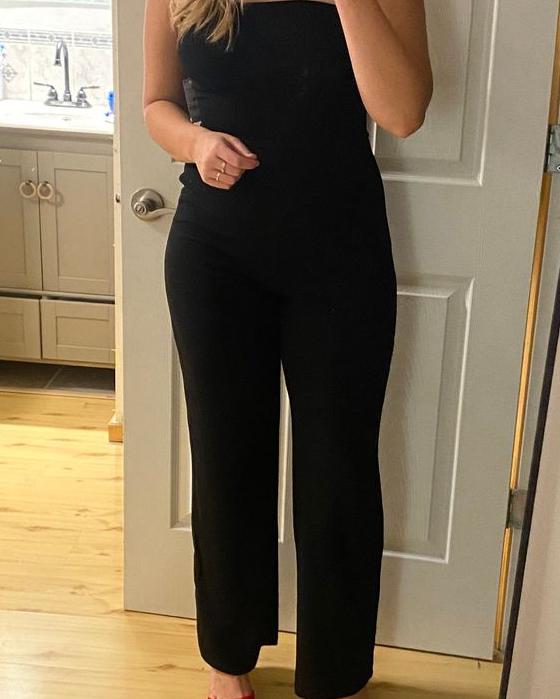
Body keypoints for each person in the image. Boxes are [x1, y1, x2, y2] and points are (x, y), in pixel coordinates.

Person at [142, 1, 432, 698]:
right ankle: (228, 656)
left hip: (340, 255)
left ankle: (334, 676)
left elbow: (403, 113)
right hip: (214, 254)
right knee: (225, 459)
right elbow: (156, 104)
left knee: (339, 470)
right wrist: (195, 144)